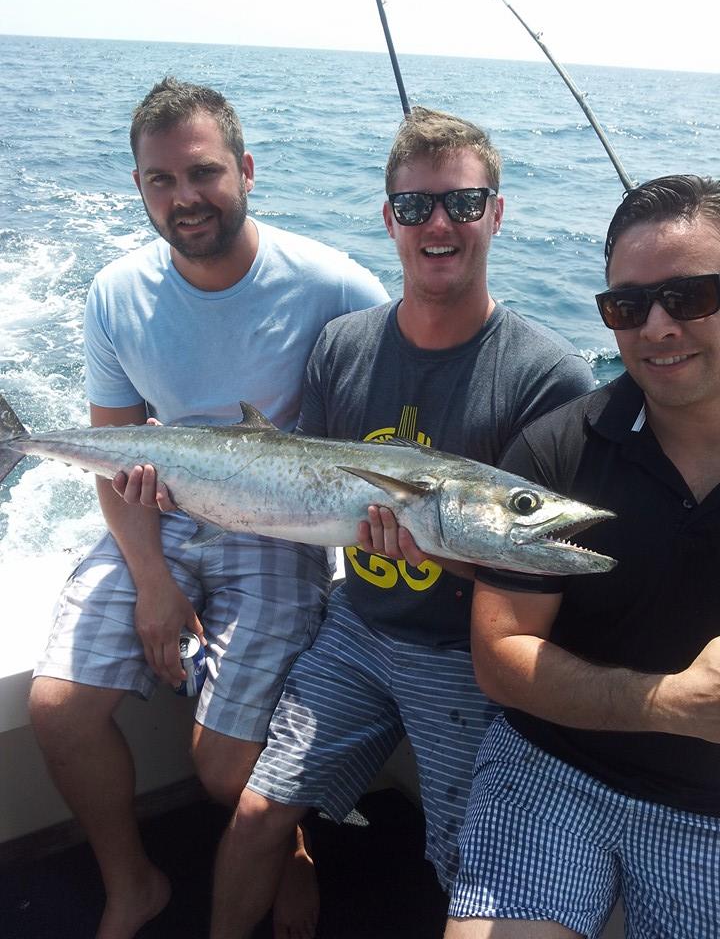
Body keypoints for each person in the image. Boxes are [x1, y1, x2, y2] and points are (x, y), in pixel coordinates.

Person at [186, 106, 595, 939]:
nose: (438, 225)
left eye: (463, 204)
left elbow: (534, 571)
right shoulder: (342, 345)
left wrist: (440, 552)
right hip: (357, 626)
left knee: (461, 860)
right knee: (258, 812)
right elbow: (300, 489)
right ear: (389, 220)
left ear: (498, 214)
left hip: (462, 654)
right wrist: (191, 495)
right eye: (415, 208)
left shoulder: (545, 375)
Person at [27, 76, 389, 939]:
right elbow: (113, 449)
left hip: (281, 522)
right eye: (162, 180)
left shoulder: (334, 283)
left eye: (204, 173)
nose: (185, 198)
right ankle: (133, 885)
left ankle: (287, 854)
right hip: (155, 508)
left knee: (226, 772)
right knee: (57, 711)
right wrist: (152, 580)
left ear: (247, 170)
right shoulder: (115, 292)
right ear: (141, 188)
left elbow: (388, 422)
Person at [445, 174, 720, 939]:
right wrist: (670, 705)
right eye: (628, 307)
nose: (658, 327)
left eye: (692, 297)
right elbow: (500, 654)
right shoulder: (556, 449)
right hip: (550, 771)